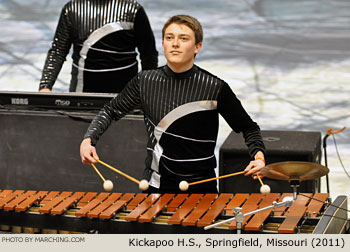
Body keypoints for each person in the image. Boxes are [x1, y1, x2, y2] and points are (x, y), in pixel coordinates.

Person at [80, 14, 266, 193]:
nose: (175, 43)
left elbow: (248, 127)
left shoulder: (214, 87)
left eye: (184, 38)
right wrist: (89, 139)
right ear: (163, 44)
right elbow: (111, 111)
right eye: (169, 38)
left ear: (197, 46)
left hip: (201, 187)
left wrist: (258, 156)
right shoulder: (144, 82)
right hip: (156, 185)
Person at [39, 0, 158, 93]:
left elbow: (148, 53)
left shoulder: (133, 9)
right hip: (82, 94)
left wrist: (149, 89)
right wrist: (45, 86)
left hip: (124, 94)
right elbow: (58, 51)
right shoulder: (72, 9)